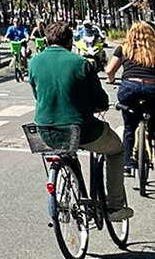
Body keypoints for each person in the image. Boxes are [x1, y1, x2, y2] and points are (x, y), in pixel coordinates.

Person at [28, 20, 131, 221]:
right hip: (81, 129)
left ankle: (63, 199)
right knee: (117, 150)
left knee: (66, 151)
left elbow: (37, 95)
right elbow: (100, 100)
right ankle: (115, 206)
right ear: (70, 41)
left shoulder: (34, 63)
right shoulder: (81, 63)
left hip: (45, 130)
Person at [103, 22, 155, 174]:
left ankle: (128, 163)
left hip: (129, 88)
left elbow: (110, 70)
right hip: (153, 87)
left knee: (130, 127)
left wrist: (110, 79)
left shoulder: (124, 48)